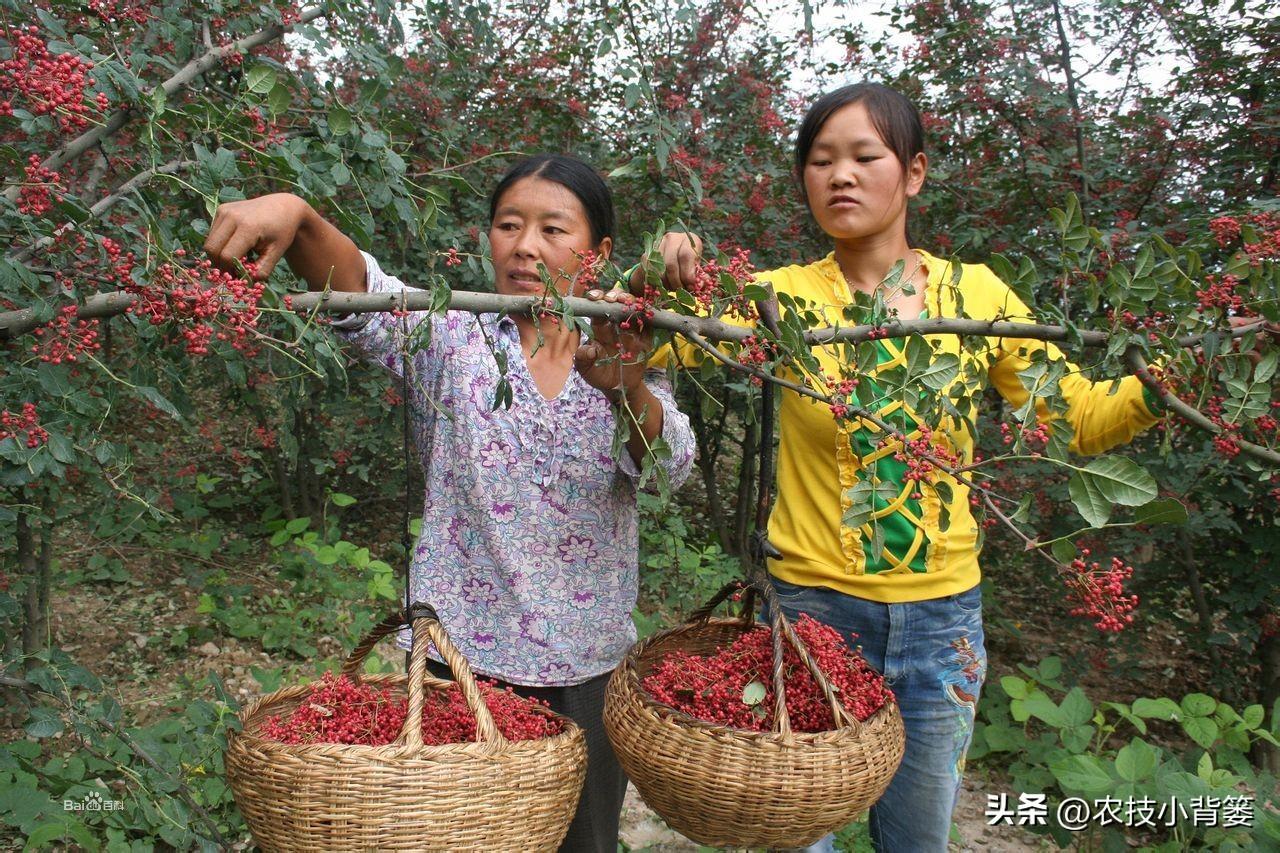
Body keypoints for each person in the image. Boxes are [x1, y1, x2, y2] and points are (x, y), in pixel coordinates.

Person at [645, 83, 1164, 852]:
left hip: (941, 626)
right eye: (821, 161)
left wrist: (1162, 389)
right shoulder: (779, 300)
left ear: (914, 172)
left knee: (917, 840)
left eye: (864, 156)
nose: (840, 175)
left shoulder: (975, 296)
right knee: (798, 838)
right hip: (811, 613)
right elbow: (650, 341)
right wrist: (656, 272)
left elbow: (1074, 417)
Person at [203, 153, 696, 853]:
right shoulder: (455, 335)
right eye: (508, 225)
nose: (524, 246)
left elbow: (670, 464)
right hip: (455, 663)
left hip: (585, 672)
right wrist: (296, 212)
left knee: (582, 843)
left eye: (553, 228)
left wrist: (627, 387)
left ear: (599, 251)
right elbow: (359, 288)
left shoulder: (619, 345)